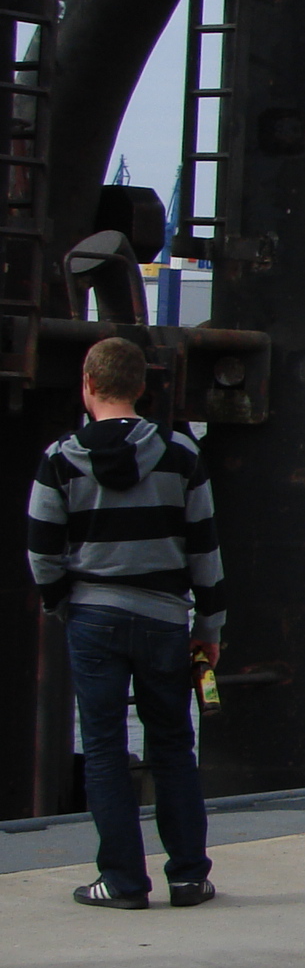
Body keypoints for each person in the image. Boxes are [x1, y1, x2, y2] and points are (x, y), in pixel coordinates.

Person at [25, 338, 226, 909]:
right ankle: (188, 877)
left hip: (93, 617)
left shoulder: (59, 458)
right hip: (165, 618)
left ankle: (121, 881)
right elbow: (205, 551)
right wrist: (209, 627)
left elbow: (41, 553)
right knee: (173, 745)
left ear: (88, 385)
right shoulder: (181, 453)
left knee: (104, 748)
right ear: (142, 387)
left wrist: (64, 604)